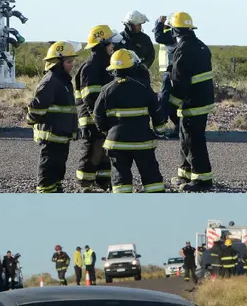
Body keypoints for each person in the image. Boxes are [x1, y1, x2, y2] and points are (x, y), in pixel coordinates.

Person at [92, 49, 173, 193]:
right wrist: (159, 131)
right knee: (152, 178)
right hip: (143, 142)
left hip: (116, 143)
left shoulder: (106, 90)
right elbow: (157, 112)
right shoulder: (143, 87)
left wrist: (107, 131)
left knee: (120, 179)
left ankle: (123, 206)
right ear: (133, 67)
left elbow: (98, 116)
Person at [167, 12, 216, 190]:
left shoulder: (183, 49)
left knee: (193, 141)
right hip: (202, 100)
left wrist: (170, 106)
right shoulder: (200, 45)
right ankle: (185, 173)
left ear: (175, 30)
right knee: (185, 138)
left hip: (193, 103)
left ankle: (202, 180)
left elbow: (180, 82)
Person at [74, 25, 122, 191]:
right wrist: (99, 119)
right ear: (102, 44)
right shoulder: (90, 67)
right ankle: (85, 184)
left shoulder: (104, 64)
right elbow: (91, 98)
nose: (112, 46)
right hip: (91, 119)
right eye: (110, 43)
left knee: (103, 152)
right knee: (91, 152)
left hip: (102, 118)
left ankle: (103, 182)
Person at [27, 41, 79, 193]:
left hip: (61, 136)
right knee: (48, 169)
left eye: (72, 62)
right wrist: (31, 119)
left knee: (58, 168)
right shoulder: (50, 81)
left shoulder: (63, 80)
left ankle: (55, 191)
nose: (72, 65)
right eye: (69, 62)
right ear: (58, 62)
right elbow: (37, 107)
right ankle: (45, 194)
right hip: (51, 136)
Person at [152, 15, 180, 138]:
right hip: (171, 72)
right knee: (172, 103)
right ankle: (179, 127)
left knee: (164, 101)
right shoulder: (173, 35)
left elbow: (158, 37)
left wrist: (159, 23)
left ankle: (160, 129)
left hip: (170, 74)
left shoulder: (170, 34)